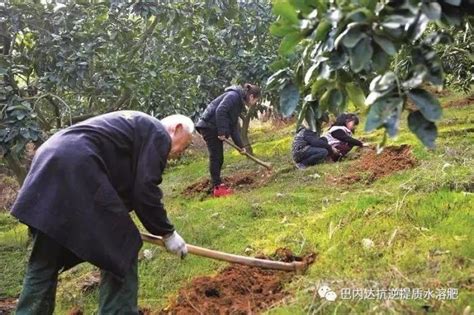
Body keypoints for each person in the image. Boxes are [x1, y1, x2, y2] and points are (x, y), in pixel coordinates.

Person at [11, 111, 194, 315]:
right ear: (176, 129)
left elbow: (123, 191)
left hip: (49, 162)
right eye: (184, 146)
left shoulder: (133, 128)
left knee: (46, 257)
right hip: (77, 166)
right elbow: (145, 191)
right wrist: (167, 233)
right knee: (122, 245)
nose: (179, 152)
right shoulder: (158, 132)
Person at [196, 83, 261, 197]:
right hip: (209, 126)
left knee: (218, 157)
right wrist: (222, 131)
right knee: (216, 157)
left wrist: (241, 147)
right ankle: (217, 188)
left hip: (212, 126)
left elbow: (233, 127)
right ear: (251, 97)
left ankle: (217, 185)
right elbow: (220, 111)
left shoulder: (238, 102)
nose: (255, 103)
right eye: (256, 100)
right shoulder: (233, 96)